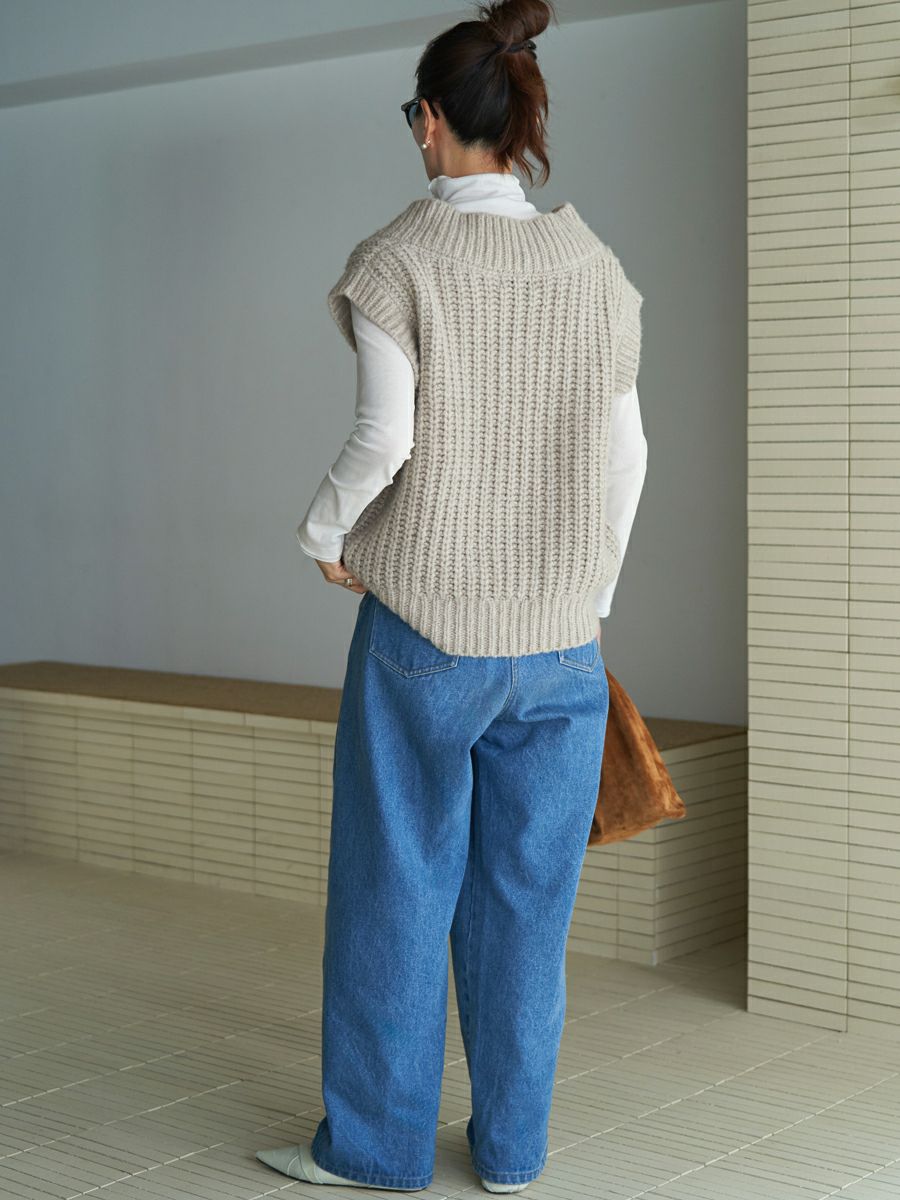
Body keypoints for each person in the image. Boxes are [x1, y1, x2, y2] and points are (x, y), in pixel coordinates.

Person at [257, 0, 647, 1191]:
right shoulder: (594, 269)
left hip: (426, 635)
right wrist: (590, 591)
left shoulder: (401, 260)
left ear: (431, 119)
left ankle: (376, 1152)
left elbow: (386, 437)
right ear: (518, 117)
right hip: (561, 647)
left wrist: (324, 531)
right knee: (528, 910)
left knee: (396, 889)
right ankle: (513, 1154)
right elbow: (629, 452)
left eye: (414, 115)